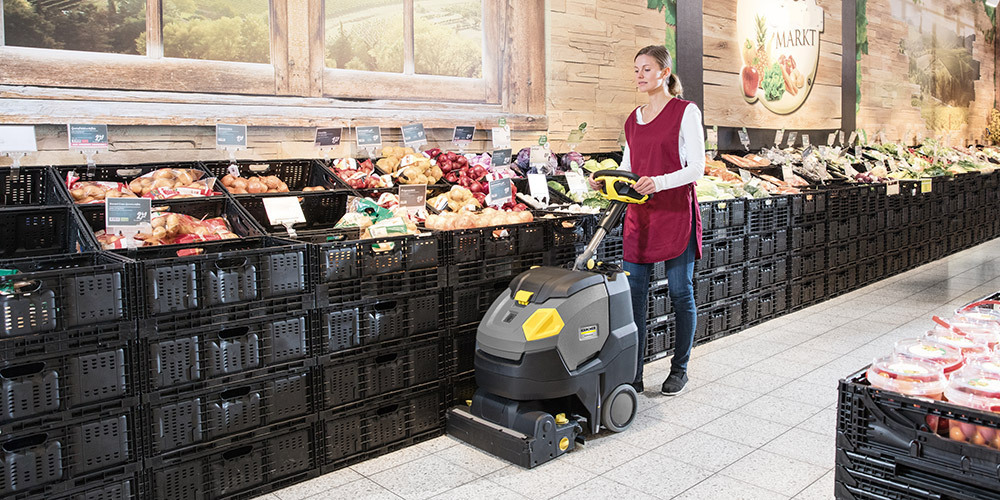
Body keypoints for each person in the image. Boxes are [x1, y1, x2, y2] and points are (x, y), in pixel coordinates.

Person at [589, 45, 704, 396]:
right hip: (640, 216)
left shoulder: (685, 112)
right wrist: (607, 180)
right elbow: (631, 168)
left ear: (665, 73)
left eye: (647, 69)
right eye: (636, 69)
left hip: (674, 212)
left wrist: (660, 181)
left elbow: (697, 167)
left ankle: (679, 369)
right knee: (633, 298)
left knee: (680, 292)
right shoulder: (632, 119)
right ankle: (633, 373)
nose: (639, 75)